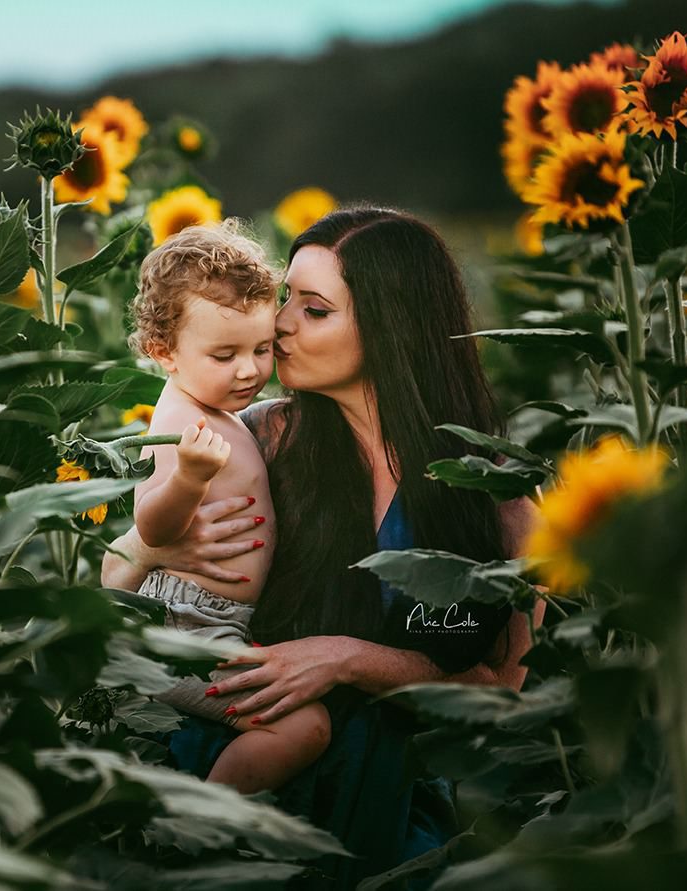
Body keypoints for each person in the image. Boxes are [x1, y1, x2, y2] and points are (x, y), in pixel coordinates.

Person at [102, 206, 545, 888]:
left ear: (392, 325)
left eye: (312, 310)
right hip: (236, 796)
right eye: (285, 301)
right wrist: (153, 547)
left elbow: (504, 697)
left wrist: (350, 660)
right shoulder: (255, 440)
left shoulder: (496, 497)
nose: (277, 325)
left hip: (396, 828)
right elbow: (117, 581)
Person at [128, 221, 331, 794]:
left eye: (261, 349)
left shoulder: (213, 408)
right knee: (303, 725)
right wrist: (189, 479)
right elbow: (152, 524)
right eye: (225, 355)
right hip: (187, 626)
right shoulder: (178, 425)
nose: (249, 370)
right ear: (163, 352)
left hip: (217, 623)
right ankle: (206, 829)